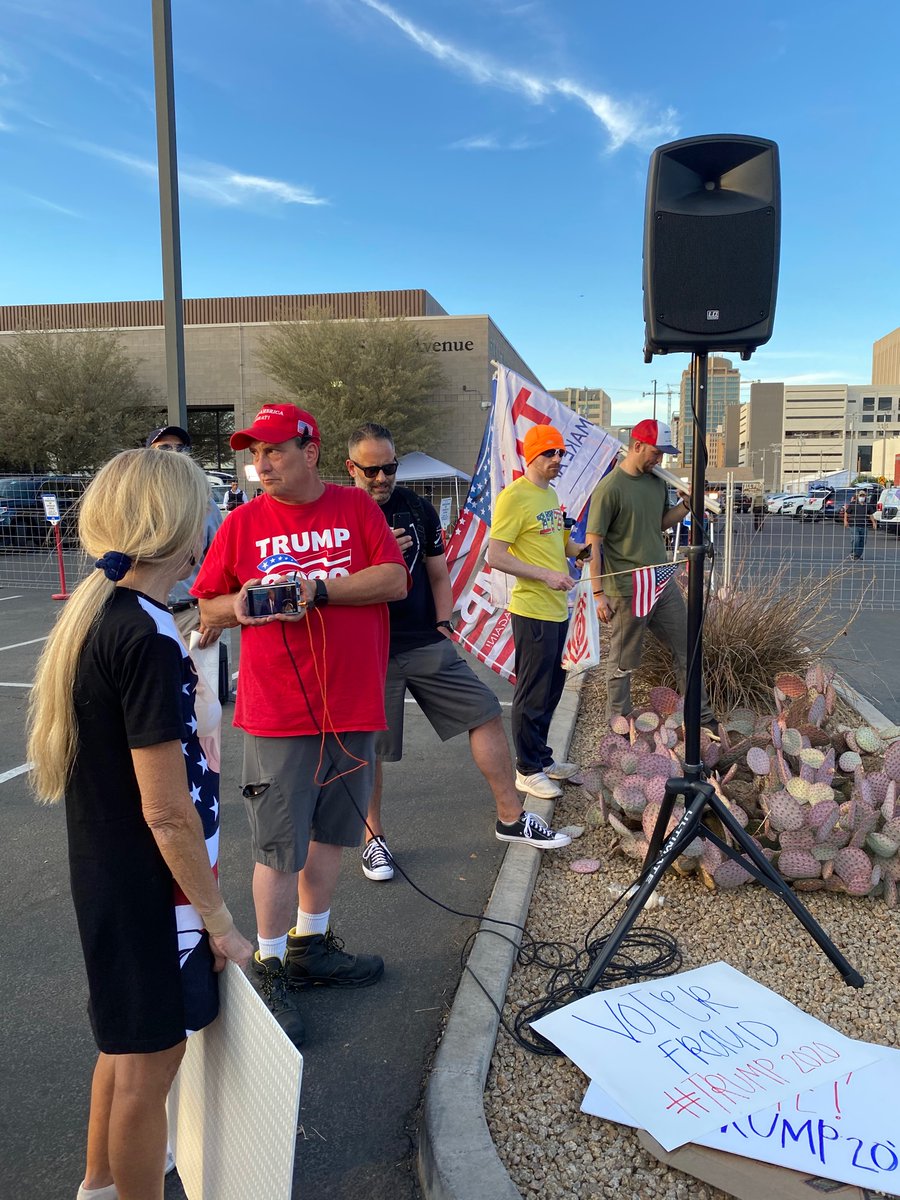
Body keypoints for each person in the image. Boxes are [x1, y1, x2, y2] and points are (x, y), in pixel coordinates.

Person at [26, 449, 252, 1200]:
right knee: (148, 1071)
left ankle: (98, 1185)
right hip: (153, 891)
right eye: (205, 515)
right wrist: (220, 921)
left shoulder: (111, 615)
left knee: (125, 1053)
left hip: (118, 876)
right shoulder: (145, 637)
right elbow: (165, 809)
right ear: (180, 530)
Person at [192, 403, 408, 1046]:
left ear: (310, 451)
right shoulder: (243, 523)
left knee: (332, 835)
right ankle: (269, 965)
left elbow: (394, 579)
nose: (261, 465)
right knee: (279, 846)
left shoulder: (356, 508)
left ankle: (310, 945)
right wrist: (242, 604)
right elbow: (207, 604)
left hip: (352, 705)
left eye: (274, 450)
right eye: (254, 454)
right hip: (279, 713)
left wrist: (316, 590)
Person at [346, 423, 571, 882]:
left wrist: (444, 620)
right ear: (351, 468)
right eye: (371, 470)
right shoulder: (339, 516)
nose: (382, 478)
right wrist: (376, 557)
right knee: (369, 746)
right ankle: (374, 840)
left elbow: (437, 573)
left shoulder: (418, 508)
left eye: (389, 467)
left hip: (424, 640)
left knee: (484, 711)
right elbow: (329, 583)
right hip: (369, 646)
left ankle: (511, 817)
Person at [584, 418, 718, 733]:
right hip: (626, 588)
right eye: (656, 453)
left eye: (663, 455)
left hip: (661, 581)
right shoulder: (609, 489)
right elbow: (593, 544)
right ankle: (619, 726)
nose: (660, 460)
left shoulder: (656, 482)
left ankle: (701, 717)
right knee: (623, 660)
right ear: (637, 446)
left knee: (688, 647)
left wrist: (686, 506)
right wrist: (599, 594)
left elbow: (657, 523)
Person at [486, 425, 583, 800]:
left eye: (561, 453)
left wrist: (579, 552)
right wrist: (546, 575)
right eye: (550, 453)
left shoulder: (551, 494)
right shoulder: (514, 497)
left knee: (553, 688)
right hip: (532, 610)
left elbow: (558, 544)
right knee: (532, 691)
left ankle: (541, 758)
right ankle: (526, 770)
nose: (558, 459)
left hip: (558, 609)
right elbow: (495, 555)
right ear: (532, 456)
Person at [146, 425, 223, 650]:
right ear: (148, 455)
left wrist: (215, 614)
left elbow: (220, 563)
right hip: (144, 615)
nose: (174, 453)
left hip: (193, 617)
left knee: (201, 675)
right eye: (164, 447)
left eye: (180, 448)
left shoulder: (205, 504)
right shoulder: (135, 502)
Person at [844, 488, 877, 560]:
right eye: (861, 496)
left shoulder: (867, 505)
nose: (862, 497)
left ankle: (858, 555)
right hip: (854, 525)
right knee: (856, 539)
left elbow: (870, 514)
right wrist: (845, 521)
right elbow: (846, 512)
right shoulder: (853, 504)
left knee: (862, 540)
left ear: (865, 497)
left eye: (863, 496)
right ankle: (853, 553)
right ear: (858, 496)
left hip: (864, 525)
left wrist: (873, 522)